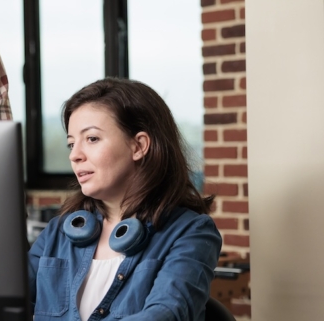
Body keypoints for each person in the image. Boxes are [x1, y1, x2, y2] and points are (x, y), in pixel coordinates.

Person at [28, 78, 222, 320]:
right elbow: (7, 304)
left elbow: (166, 314)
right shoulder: (58, 232)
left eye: (92, 139)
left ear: (138, 146)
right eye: (71, 144)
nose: (75, 155)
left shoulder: (192, 232)